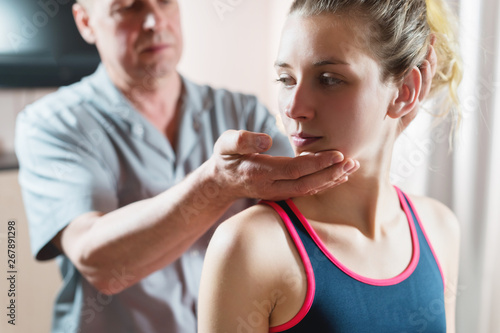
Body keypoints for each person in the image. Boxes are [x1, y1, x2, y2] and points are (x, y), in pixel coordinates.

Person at [14, 0, 363, 332]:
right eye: (128, 7)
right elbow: (97, 261)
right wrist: (218, 184)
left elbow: (309, 211)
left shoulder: (242, 112)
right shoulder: (51, 124)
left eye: (164, 2)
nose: (154, 22)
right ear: (86, 22)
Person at [198, 0, 462, 332]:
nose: (293, 108)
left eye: (328, 79)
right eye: (286, 78)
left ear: (405, 90)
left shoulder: (440, 229)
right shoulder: (250, 247)